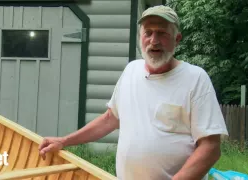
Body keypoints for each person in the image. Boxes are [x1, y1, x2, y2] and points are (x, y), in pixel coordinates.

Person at [38, 5, 229, 180]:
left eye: (162, 33)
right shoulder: (131, 70)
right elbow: (110, 118)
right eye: (148, 33)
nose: (154, 41)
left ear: (177, 39)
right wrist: (64, 141)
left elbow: (211, 147)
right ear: (140, 38)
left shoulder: (195, 79)